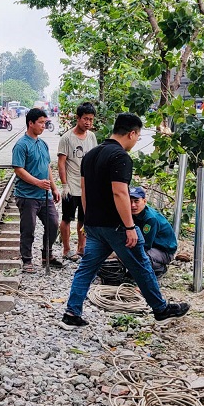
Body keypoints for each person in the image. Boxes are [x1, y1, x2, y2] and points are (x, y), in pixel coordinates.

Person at [62, 113, 190, 328]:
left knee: (86, 268)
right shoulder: (120, 157)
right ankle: (160, 309)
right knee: (141, 265)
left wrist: (87, 221)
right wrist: (130, 226)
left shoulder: (91, 155)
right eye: (137, 136)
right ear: (131, 133)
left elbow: (84, 191)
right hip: (117, 225)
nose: (136, 141)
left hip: (94, 225)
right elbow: (120, 193)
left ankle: (72, 313)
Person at [12, 108, 64, 274]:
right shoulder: (21, 145)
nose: (44, 126)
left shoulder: (43, 144)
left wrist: (54, 188)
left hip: (45, 194)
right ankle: (27, 260)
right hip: (27, 195)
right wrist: (37, 183)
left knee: (54, 223)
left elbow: (46, 166)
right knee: (29, 228)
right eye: (41, 123)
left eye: (45, 122)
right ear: (31, 123)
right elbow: (18, 169)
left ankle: (46, 255)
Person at [57, 103, 98, 261]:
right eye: (85, 119)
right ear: (78, 118)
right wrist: (64, 185)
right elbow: (61, 163)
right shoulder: (67, 138)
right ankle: (66, 249)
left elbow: (94, 159)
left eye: (91, 119)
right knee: (67, 217)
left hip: (86, 186)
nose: (88, 122)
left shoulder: (92, 137)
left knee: (84, 218)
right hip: (71, 185)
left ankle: (81, 248)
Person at [129, 187, 177, 276]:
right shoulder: (133, 214)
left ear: (144, 201)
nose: (133, 205)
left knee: (138, 257)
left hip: (163, 251)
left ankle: (157, 270)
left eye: (136, 201)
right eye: (130, 201)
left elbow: (145, 245)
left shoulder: (150, 219)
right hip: (151, 247)